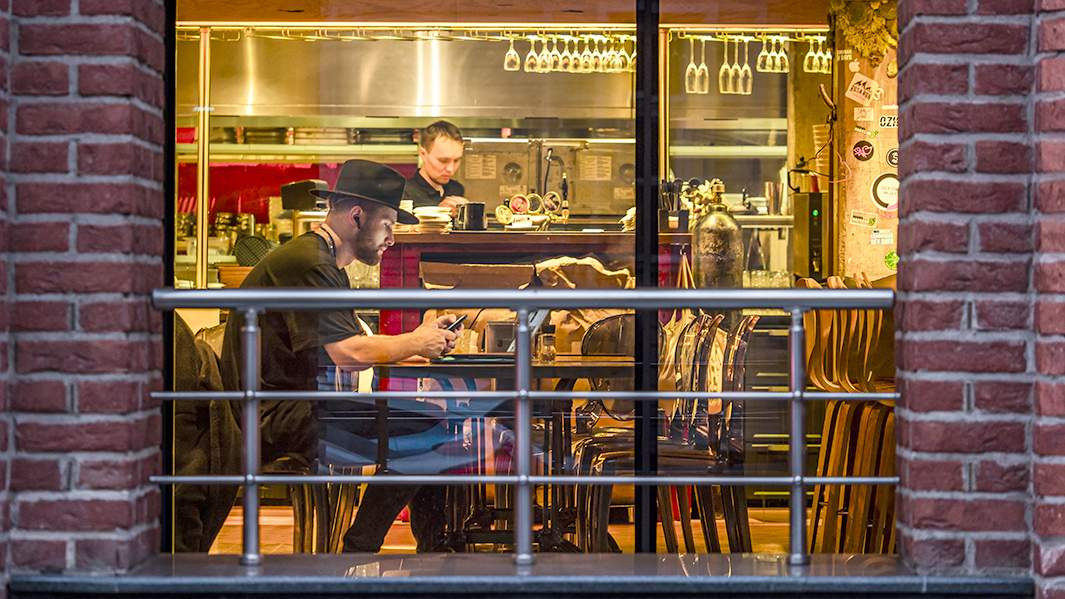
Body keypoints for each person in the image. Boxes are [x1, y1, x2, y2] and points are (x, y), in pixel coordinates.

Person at [217, 159, 461, 553]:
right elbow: (349, 353)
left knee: (428, 422)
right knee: (427, 429)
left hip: (292, 408)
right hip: (273, 417)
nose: (392, 238)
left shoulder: (320, 259)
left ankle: (434, 550)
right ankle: (363, 550)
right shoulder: (311, 264)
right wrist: (417, 341)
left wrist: (419, 345)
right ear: (357, 216)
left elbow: (352, 343)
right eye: (387, 224)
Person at [402, 120, 468, 213]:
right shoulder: (404, 194)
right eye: (443, 161)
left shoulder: (456, 189)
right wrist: (439, 212)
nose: (450, 169)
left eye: (456, 160)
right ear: (423, 154)